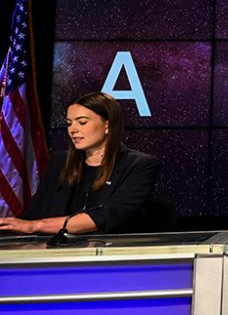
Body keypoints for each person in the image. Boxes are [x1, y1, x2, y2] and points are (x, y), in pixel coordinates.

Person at [0, 92, 161, 235]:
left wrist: (35, 226)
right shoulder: (59, 161)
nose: (72, 130)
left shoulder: (140, 164)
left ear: (108, 125)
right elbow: (35, 212)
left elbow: (109, 214)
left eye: (82, 122)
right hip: (55, 254)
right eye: (69, 123)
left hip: (111, 255)